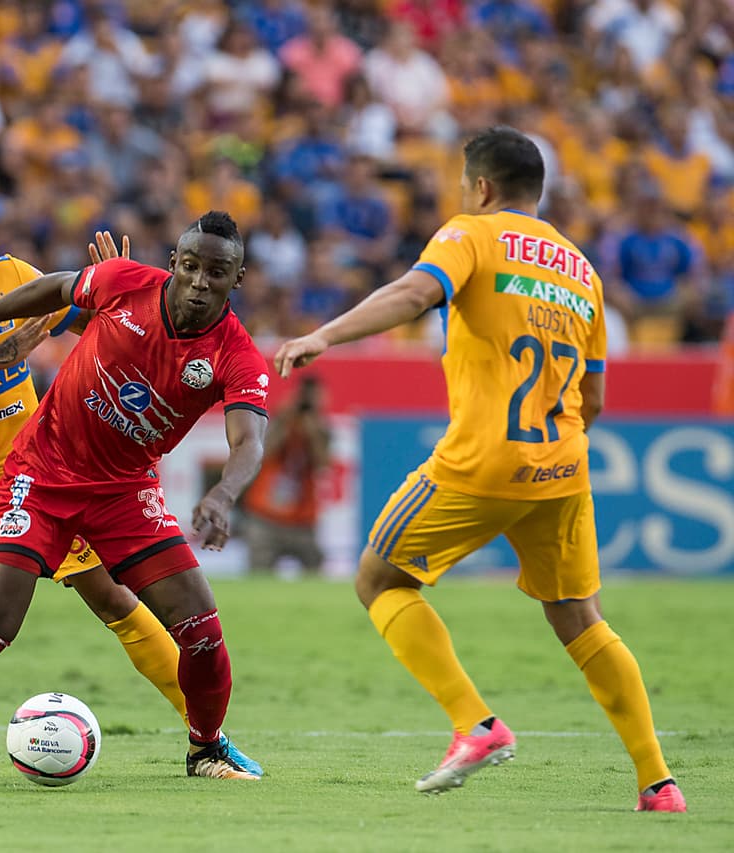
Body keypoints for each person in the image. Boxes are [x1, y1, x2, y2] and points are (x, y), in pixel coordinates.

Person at [274, 126, 686, 812]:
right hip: (563, 464)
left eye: (465, 185)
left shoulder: (471, 233)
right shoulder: (581, 269)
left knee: (378, 578)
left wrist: (324, 334)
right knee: (582, 618)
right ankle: (658, 782)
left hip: (482, 458)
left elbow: (413, 294)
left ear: (482, 187)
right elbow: (597, 398)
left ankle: (476, 723)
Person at [0, 173, 259, 777]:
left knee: (127, 605)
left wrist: (119, 297)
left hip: (96, 481)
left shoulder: (11, 272)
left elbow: (74, 310)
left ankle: (208, 743)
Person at [242, 376, 330, 575]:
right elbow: (265, 452)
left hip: (303, 518)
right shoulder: (281, 421)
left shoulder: (321, 428)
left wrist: (312, 431)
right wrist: (284, 419)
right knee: (258, 575)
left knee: (315, 572)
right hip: (266, 514)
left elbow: (323, 464)